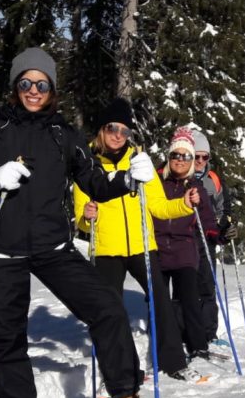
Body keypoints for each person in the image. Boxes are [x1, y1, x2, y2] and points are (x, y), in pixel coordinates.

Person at [0, 48, 157, 398]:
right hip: (1, 249)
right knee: (6, 336)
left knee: (107, 307)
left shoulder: (63, 134)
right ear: (15, 85)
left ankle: (125, 396)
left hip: (53, 247)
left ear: (52, 89)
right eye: (26, 82)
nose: (33, 90)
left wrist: (127, 179)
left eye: (42, 84)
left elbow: (94, 182)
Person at [73, 99, 206, 383]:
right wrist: (86, 216)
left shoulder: (139, 161)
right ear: (102, 129)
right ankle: (122, 369)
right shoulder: (87, 164)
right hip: (107, 249)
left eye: (125, 131)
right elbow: (82, 218)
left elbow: (158, 206)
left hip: (142, 246)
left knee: (161, 303)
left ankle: (174, 362)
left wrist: (183, 203)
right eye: (113, 128)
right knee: (110, 311)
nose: (118, 135)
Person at [152, 127, 222, 360]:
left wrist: (218, 234)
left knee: (189, 299)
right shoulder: (155, 181)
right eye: (176, 155)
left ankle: (197, 345)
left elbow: (207, 219)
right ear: (169, 157)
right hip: (157, 248)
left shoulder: (195, 187)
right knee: (160, 301)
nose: (180, 160)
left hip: (184, 250)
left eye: (186, 156)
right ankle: (165, 344)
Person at [191, 130, 236, 345]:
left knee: (207, 288)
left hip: (207, 239)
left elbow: (224, 209)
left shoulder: (213, 180)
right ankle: (187, 335)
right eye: (196, 156)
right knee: (186, 290)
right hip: (183, 240)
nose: (200, 161)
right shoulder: (180, 176)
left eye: (205, 157)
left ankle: (209, 333)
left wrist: (226, 227)